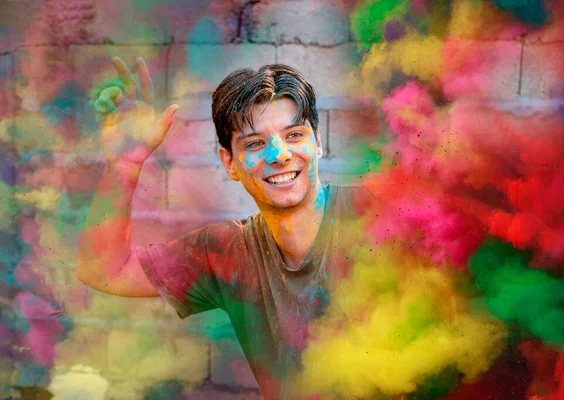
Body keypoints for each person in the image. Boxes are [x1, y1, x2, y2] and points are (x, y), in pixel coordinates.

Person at [76, 56, 369, 399]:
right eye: (255, 143)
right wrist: (124, 167)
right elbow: (103, 270)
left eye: (294, 135)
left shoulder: (380, 218)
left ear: (317, 143)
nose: (279, 154)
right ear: (229, 162)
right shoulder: (226, 252)